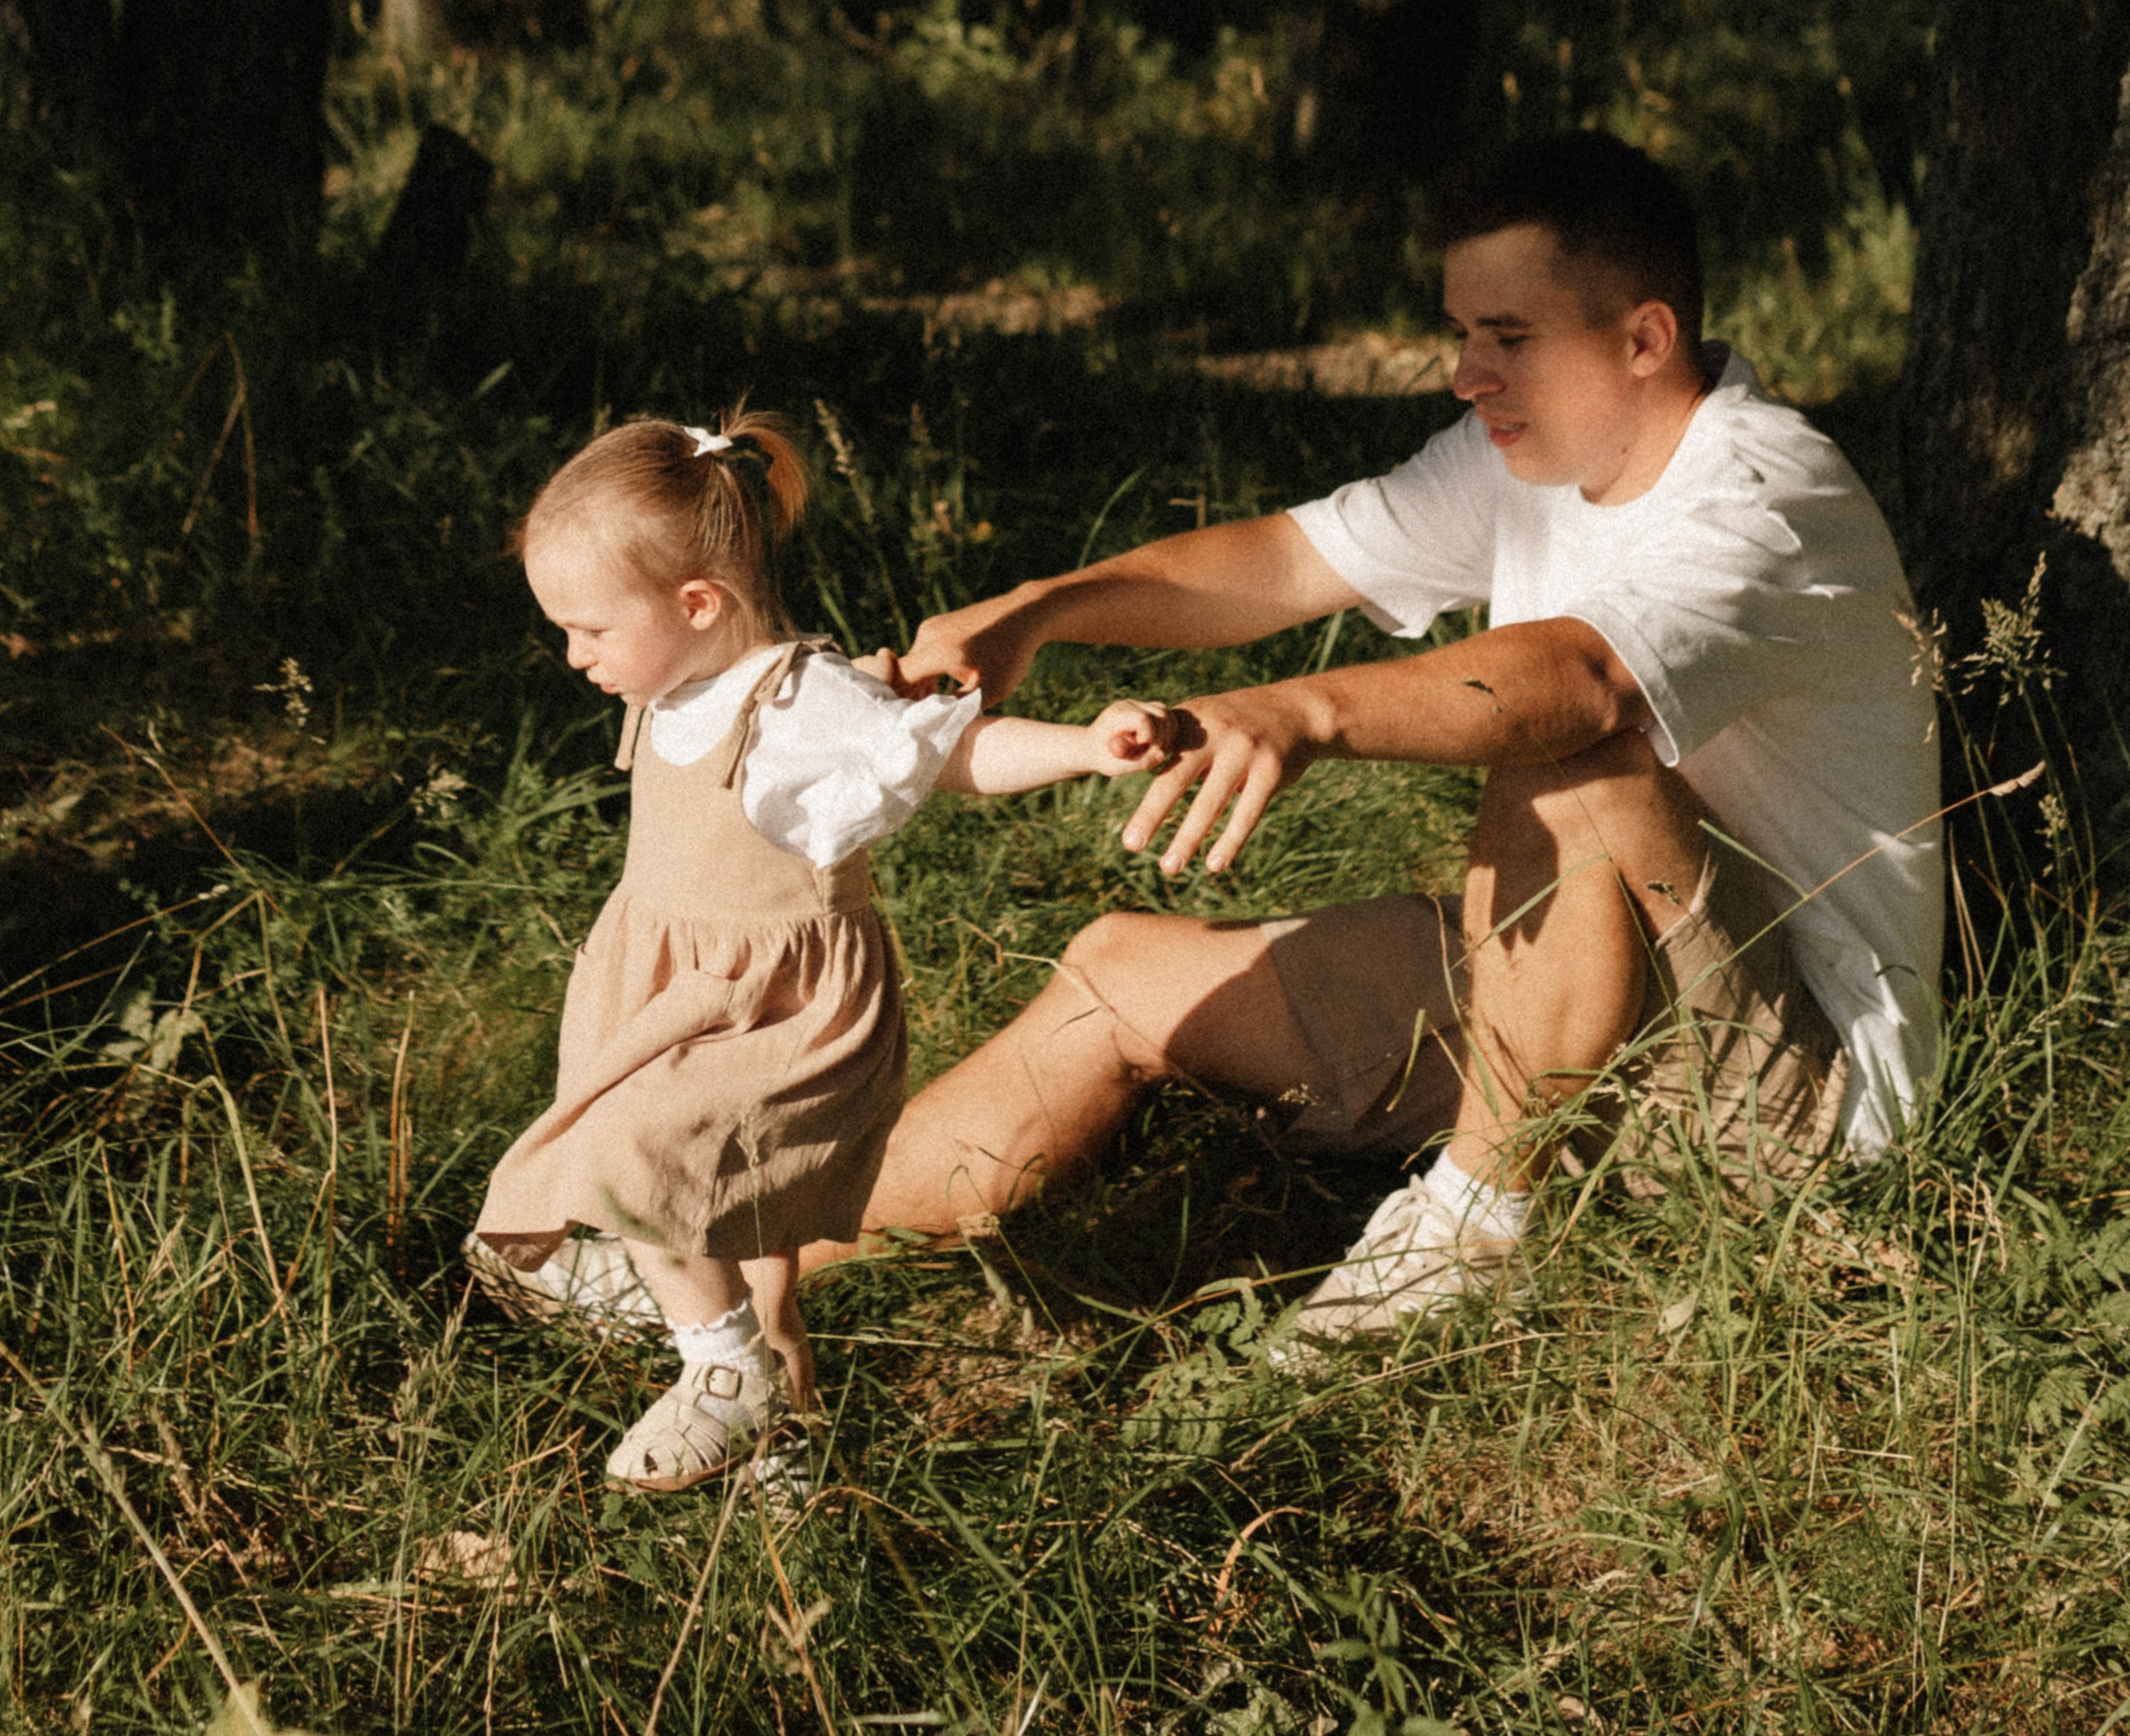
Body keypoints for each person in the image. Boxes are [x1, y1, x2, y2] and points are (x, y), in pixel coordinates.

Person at [842, 132, 1940, 1347]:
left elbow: (1579, 681)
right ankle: (738, 1264)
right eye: (1462, 334)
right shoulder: (1531, 457)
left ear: (1644, 338)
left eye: (1509, 338)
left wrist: (1306, 710)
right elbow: (1284, 560)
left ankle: (1471, 1228)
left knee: (1569, 751)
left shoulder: (1768, 497)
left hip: (1790, 1095)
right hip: (1577, 1000)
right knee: (1117, 971)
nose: (1468, 376)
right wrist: (1036, 611)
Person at [466, 407, 1171, 1489]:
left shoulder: (799, 701)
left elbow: (950, 755)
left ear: (698, 602)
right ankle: (787, 1453)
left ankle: (721, 1370)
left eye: (590, 630)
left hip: (774, 1008)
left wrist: (1086, 746)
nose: (574, 655)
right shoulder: (676, 684)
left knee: (623, 1164)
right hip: (669, 992)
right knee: (754, 1262)